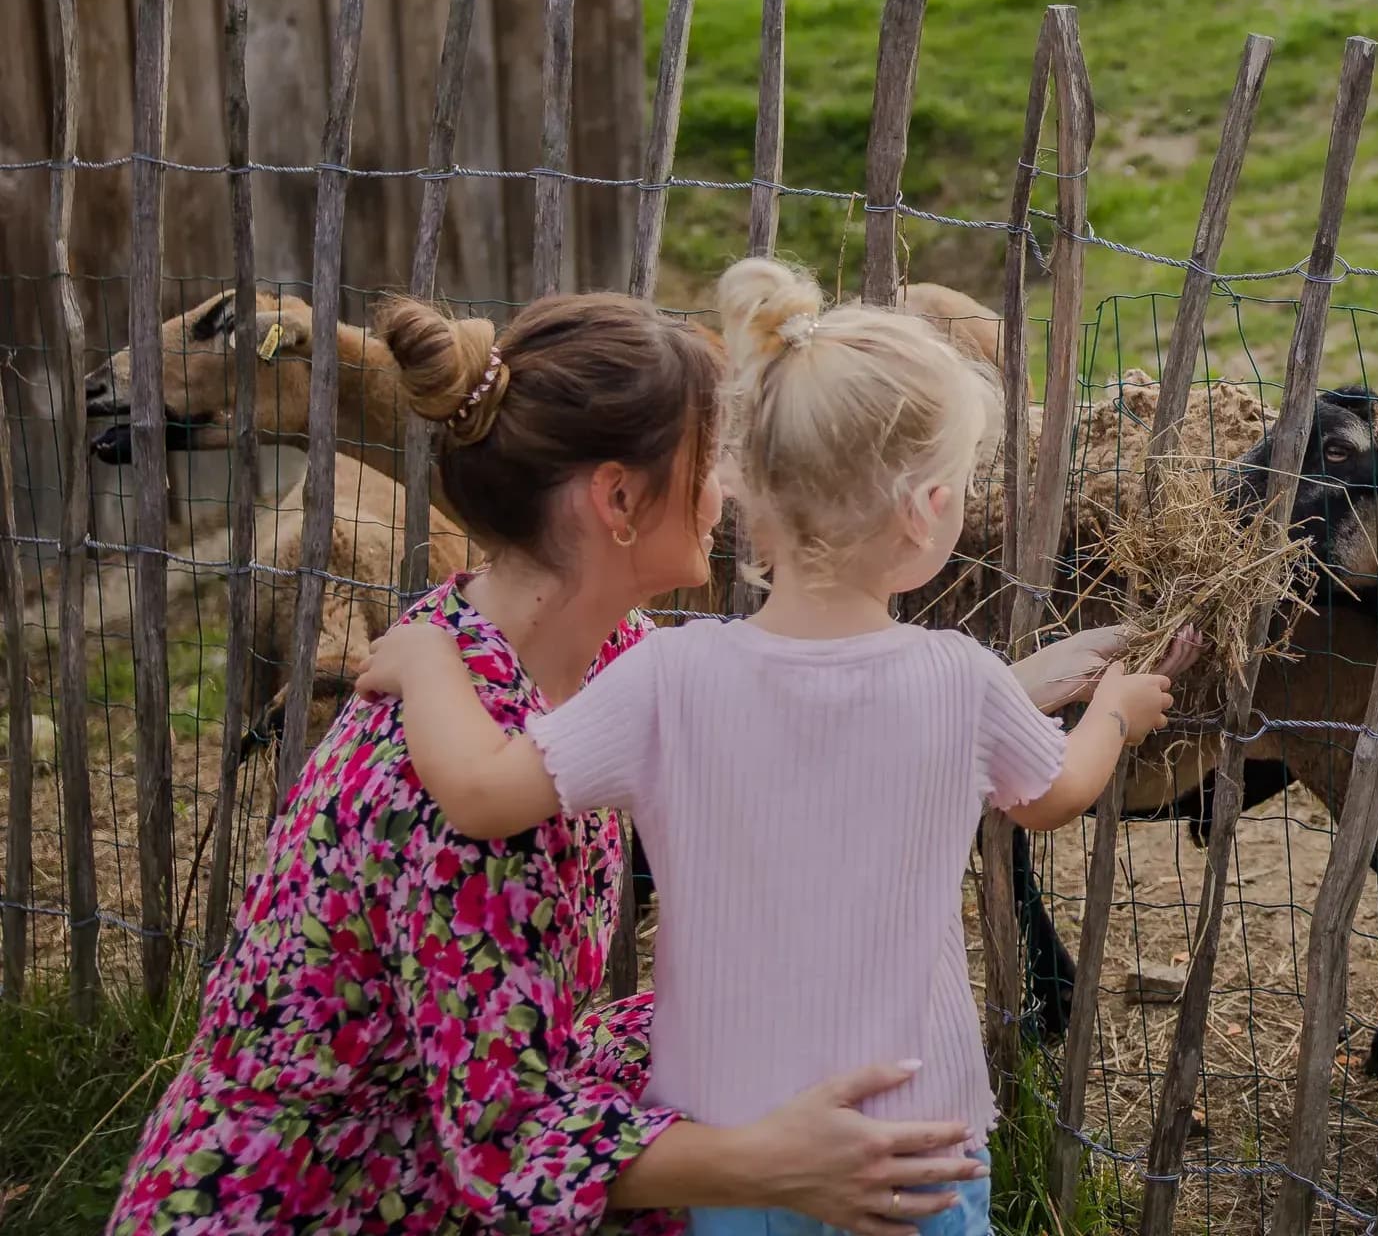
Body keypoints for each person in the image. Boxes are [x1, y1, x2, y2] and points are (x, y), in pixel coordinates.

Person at [109, 290, 1124, 1236]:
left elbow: (812, 709)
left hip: (439, 1137)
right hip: (328, 1198)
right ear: (619, 500)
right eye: (710, 455)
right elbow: (509, 1148)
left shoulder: (603, 654)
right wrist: (766, 1161)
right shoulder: (437, 782)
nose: (731, 485)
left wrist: (1009, 688)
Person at [353, 258, 1189, 1236]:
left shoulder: (668, 675)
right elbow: (1055, 790)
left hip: (738, 1150)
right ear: (928, 509)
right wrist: (1118, 712)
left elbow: (483, 794)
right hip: (915, 1148)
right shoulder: (960, 680)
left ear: (757, 497)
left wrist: (425, 660)